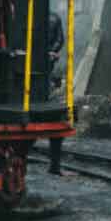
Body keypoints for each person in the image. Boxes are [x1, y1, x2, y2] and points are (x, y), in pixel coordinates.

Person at [47, 12, 65, 175]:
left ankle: (55, 166)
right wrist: (51, 53)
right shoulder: (53, 17)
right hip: (45, 70)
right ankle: (55, 166)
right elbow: (60, 40)